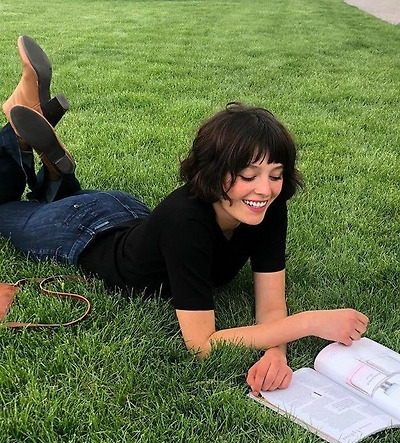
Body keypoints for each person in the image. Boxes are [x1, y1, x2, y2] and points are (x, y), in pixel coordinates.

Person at [0, 35, 369, 396]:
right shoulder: (187, 224)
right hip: (81, 231)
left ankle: (54, 172)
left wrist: (276, 352)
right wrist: (308, 322)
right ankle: (17, 135)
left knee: (51, 201)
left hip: (126, 211)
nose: (265, 189)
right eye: (248, 176)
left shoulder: (268, 207)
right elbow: (201, 344)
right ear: (214, 172)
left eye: (275, 175)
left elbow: (271, 304)